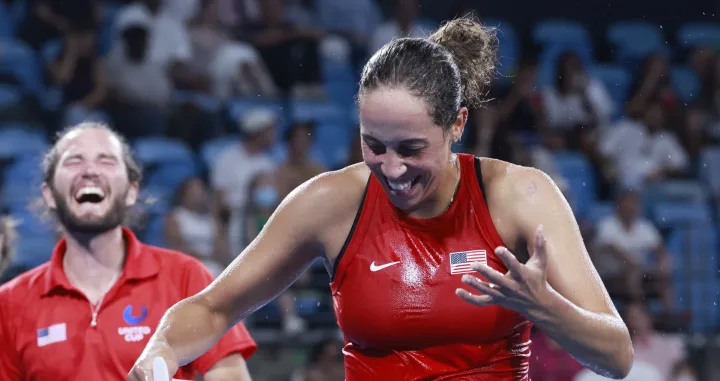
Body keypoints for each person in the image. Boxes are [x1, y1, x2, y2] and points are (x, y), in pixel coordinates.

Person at [130, 17, 633, 380]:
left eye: (412, 148)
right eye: (374, 145)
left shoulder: (522, 195)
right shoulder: (329, 203)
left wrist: (543, 307)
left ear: (457, 123)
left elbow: (616, 356)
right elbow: (213, 309)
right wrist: (158, 358)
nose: (392, 169)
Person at [0, 123, 257, 381]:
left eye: (106, 161)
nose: (90, 171)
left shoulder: (185, 276)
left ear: (132, 191)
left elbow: (228, 371)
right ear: (49, 194)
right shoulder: (10, 303)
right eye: (74, 161)